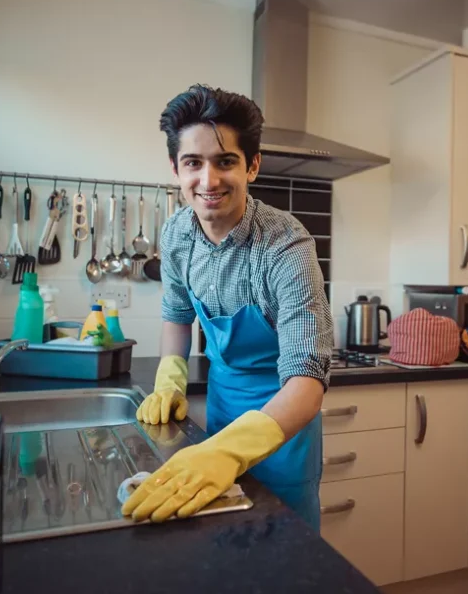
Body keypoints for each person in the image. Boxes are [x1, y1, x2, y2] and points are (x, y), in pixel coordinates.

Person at [121, 84, 333, 531]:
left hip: (284, 428)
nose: (208, 180)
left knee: (286, 555)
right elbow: (177, 314)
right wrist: (170, 381)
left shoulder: (286, 244)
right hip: (220, 411)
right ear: (176, 170)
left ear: (252, 165)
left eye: (225, 161)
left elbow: (307, 382)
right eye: (193, 163)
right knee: (223, 548)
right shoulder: (177, 235)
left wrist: (229, 451)